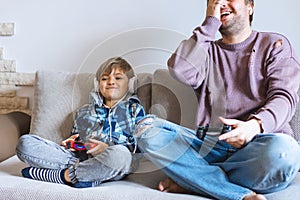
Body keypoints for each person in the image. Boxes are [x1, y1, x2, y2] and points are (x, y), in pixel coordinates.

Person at [135, 0, 300, 200]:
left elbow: (284, 97)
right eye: (215, 0)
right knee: (146, 129)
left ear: (250, 7)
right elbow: (179, 69)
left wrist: (253, 127)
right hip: (210, 147)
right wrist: (210, 23)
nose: (221, 3)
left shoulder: (275, 44)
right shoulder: (205, 53)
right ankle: (235, 193)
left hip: (259, 145)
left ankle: (196, 178)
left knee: (286, 152)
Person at [16, 56, 146, 188]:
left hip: (114, 158)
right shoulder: (84, 111)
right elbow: (78, 138)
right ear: (98, 84)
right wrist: (73, 142)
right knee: (25, 143)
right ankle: (88, 174)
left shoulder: (134, 110)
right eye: (105, 78)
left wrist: (106, 148)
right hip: (81, 157)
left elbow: (139, 147)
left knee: (120, 156)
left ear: (130, 84)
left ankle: (64, 176)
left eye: (118, 78)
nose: (111, 81)